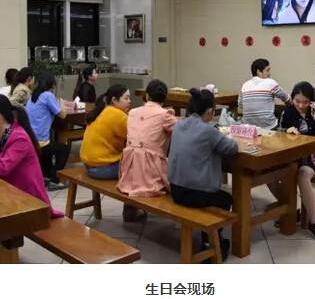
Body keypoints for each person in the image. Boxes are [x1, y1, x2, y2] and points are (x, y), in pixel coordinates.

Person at [167, 88, 239, 261]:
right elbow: (232, 148)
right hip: (194, 195)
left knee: (214, 195)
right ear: (209, 111)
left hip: (175, 189)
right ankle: (209, 242)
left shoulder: (179, 125)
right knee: (226, 199)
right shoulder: (209, 131)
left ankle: (208, 239)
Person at [276, 82, 315, 241]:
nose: (301, 105)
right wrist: (285, 131)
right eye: (297, 101)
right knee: (269, 172)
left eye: (305, 102)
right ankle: (290, 210)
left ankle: (314, 223)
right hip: (291, 155)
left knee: (303, 174)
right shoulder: (287, 112)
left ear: (311, 101)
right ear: (292, 99)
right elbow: (277, 132)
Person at [79, 85, 144, 222]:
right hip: (101, 168)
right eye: (126, 98)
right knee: (138, 167)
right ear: (114, 100)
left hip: (89, 164)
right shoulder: (117, 115)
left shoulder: (103, 110)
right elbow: (137, 136)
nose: (129, 101)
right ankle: (131, 211)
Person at [117, 79, 177, 197]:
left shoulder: (132, 113)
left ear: (147, 96)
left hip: (128, 169)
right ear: (165, 98)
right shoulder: (165, 115)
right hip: (151, 169)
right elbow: (182, 131)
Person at [25, 72, 70, 191]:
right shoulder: (48, 95)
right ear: (52, 85)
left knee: (50, 147)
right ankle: (56, 180)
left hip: (31, 138)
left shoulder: (33, 96)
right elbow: (63, 115)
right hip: (41, 141)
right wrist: (62, 103)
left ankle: (46, 176)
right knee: (63, 149)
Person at [238, 58, 290, 130]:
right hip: (269, 127)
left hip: (249, 128)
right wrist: (288, 103)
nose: (269, 74)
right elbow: (286, 97)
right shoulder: (270, 83)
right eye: (267, 70)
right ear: (259, 72)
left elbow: (240, 105)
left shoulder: (245, 85)